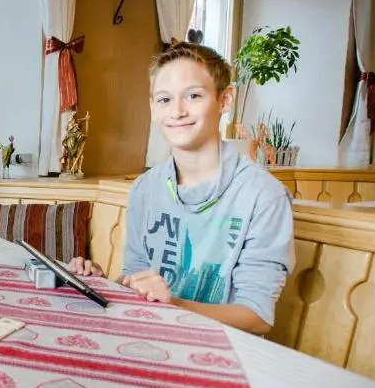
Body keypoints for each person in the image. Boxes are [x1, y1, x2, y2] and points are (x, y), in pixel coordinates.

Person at [70, 42, 293, 335]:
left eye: (193, 96)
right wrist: (101, 284)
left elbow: (257, 316)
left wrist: (174, 305)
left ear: (225, 100)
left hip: (222, 349)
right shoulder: (145, 189)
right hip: (151, 337)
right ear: (153, 107)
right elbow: (137, 276)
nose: (177, 112)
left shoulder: (263, 195)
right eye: (164, 99)